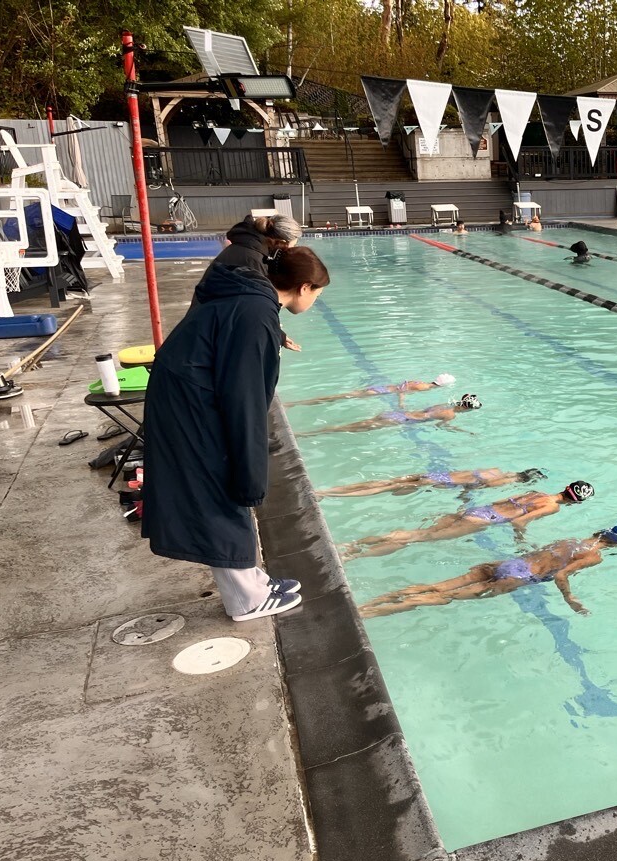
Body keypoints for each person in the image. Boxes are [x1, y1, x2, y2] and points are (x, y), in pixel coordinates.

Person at [142, 247, 330, 622]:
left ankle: (252, 582)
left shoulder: (253, 302)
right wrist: (251, 470)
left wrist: (272, 333)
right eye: (317, 295)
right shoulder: (255, 313)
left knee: (220, 481)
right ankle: (246, 599)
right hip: (190, 402)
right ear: (304, 287)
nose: (316, 302)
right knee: (222, 483)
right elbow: (242, 399)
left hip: (185, 390)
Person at [358, 525, 617, 618]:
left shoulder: (572, 539)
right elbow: (561, 575)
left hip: (509, 563)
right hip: (518, 577)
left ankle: (376, 600)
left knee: (439, 586)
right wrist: (570, 599)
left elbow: (543, 553)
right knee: (448, 598)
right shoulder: (595, 556)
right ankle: (370, 614)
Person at [339, 480, 595, 559]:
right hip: (485, 520)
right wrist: (522, 541)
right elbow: (518, 522)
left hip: (478, 510)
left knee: (417, 533)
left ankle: (354, 543)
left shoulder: (536, 492)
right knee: (417, 538)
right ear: (576, 501)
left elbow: (504, 501)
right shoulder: (551, 507)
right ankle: (352, 555)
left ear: (566, 486)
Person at [193, 214, 304, 350]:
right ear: (281, 242)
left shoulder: (249, 249)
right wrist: (275, 333)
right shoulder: (252, 260)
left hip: (205, 321)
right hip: (205, 333)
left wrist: (279, 335)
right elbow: (255, 308)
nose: (291, 250)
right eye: (293, 245)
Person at [297, 394, 481, 435]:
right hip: (403, 420)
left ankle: (312, 431)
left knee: (352, 425)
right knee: (349, 429)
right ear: (466, 408)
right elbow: (442, 426)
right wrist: (464, 432)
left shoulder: (444, 404)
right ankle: (309, 433)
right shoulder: (450, 415)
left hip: (396, 414)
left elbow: (427, 412)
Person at [317, 467, 546, 499]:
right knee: (385, 488)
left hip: (438, 474)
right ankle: (330, 495)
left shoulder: (496, 469)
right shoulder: (503, 482)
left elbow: (470, 475)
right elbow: (472, 486)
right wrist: (464, 499)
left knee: (385, 481)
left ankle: (328, 489)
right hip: (441, 483)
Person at [284, 373, 455, 406]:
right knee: (340, 398)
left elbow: (405, 383)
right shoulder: (424, 387)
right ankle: (297, 403)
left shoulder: (424, 383)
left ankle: (298, 403)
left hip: (381, 389)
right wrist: (401, 402)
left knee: (342, 397)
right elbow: (403, 387)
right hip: (381, 391)